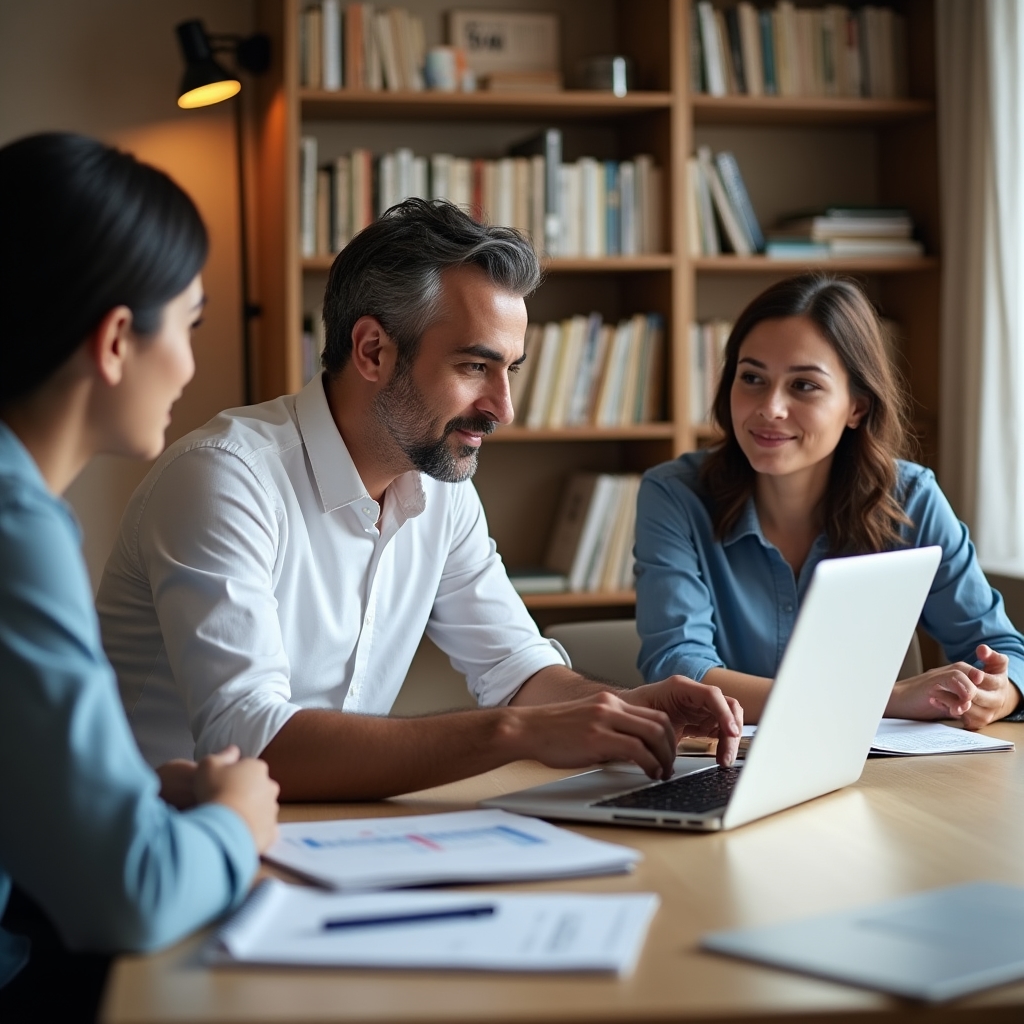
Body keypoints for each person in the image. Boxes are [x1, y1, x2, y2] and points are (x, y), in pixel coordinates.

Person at [97, 198, 743, 803]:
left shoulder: (441, 487)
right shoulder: (225, 480)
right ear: (373, 350)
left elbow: (519, 672)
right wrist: (511, 733)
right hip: (159, 857)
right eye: (473, 368)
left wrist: (632, 711)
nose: (503, 409)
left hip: (322, 839)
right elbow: (250, 743)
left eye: (509, 371)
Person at [0, 133, 280, 1020]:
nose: (192, 366)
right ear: (117, 339)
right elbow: (134, 890)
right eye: (190, 324)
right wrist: (237, 815)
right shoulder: (15, 528)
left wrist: (121, 790)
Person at [635, 273, 1024, 727]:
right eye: (752, 377)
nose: (771, 408)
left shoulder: (911, 498)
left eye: (803, 386)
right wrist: (886, 698)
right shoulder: (675, 494)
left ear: (857, 406)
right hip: (722, 766)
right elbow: (680, 670)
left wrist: (999, 692)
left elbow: (1005, 651)